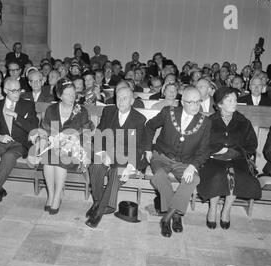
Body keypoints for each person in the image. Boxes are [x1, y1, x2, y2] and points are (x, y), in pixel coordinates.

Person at [145, 87, 211, 238]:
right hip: (161, 157)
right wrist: (148, 149)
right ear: (182, 102)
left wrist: (193, 166)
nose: (196, 105)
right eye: (191, 102)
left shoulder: (205, 122)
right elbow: (149, 126)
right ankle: (175, 216)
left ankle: (166, 218)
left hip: (185, 162)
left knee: (194, 178)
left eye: (198, 102)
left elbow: (204, 149)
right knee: (160, 176)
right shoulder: (168, 112)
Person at [198, 87, 262, 229]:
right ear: (220, 104)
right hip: (213, 158)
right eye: (230, 100)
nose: (234, 103)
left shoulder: (243, 121)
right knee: (216, 175)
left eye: (235, 100)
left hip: (237, 158)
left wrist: (237, 152)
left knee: (238, 176)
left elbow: (252, 144)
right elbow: (202, 143)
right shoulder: (210, 121)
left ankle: (226, 210)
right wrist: (216, 151)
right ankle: (212, 209)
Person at [85, 87, 147, 228]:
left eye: (125, 98)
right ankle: (97, 202)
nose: (121, 101)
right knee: (95, 166)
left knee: (116, 172)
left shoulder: (139, 119)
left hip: (125, 157)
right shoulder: (109, 111)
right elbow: (100, 133)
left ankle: (99, 212)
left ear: (132, 101)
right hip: (108, 153)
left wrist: (131, 166)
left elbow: (138, 146)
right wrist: (102, 153)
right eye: (118, 97)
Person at [35, 79, 94, 215]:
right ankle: (51, 194)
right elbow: (46, 132)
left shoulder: (81, 110)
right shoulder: (52, 109)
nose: (72, 97)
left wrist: (76, 144)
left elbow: (86, 134)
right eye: (67, 94)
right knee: (48, 159)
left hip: (75, 149)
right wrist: (41, 149)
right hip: (54, 146)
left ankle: (57, 198)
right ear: (59, 95)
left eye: (73, 94)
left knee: (59, 157)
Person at [0, 78, 38, 208]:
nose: (17, 93)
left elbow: (33, 128)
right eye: (13, 91)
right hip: (2, 142)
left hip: (20, 143)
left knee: (9, 156)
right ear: (5, 90)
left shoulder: (28, 105)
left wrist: (17, 116)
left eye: (19, 90)